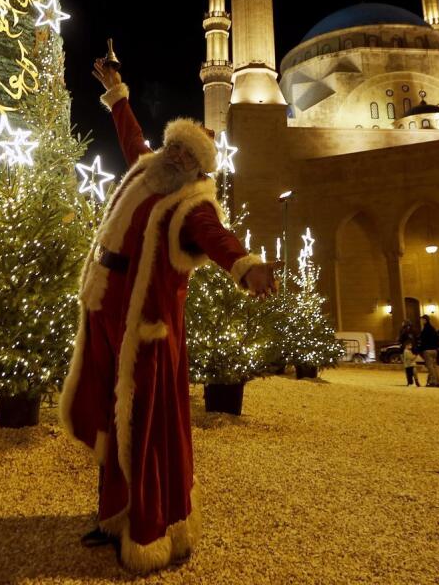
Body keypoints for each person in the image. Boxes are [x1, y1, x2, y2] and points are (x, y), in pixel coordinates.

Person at [61, 58, 280, 574]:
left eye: (186, 153)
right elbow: (134, 141)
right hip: (107, 312)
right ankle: (115, 514)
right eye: (174, 145)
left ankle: (151, 529)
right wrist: (118, 94)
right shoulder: (148, 170)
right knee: (114, 421)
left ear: (198, 168)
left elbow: (214, 236)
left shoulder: (192, 204)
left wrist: (245, 265)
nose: (174, 154)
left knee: (144, 427)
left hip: (147, 330)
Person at [418, 315, 439, 386]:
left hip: (427, 350)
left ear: (425, 320)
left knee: (430, 367)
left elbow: (423, 340)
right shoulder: (433, 329)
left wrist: (420, 349)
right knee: (434, 366)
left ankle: (433, 381)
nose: (421, 321)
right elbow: (437, 339)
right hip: (434, 350)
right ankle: (438, 381)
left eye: (422, 320)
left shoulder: (425, 330)